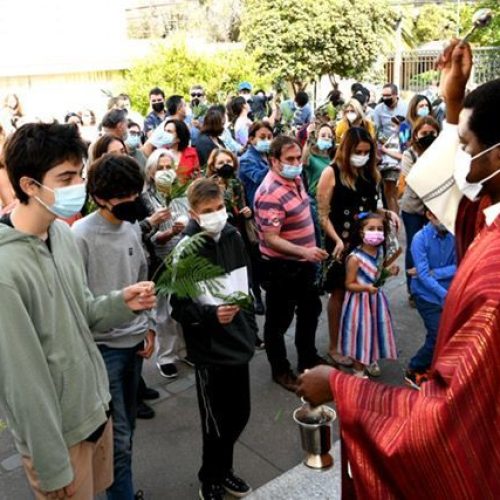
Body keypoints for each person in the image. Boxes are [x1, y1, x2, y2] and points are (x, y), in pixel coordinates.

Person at [296, 42, 500, 497]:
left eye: (464, 145)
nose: (457, 157)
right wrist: (453, 103)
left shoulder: (494, 283)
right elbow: (467, 212)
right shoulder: (489, 215)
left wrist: (341, 389)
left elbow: (450, 422)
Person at [0, 122, 155, 500]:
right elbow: (23, 383)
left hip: (93, 411)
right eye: (65, 177)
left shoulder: (62, 234)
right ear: (28, 185)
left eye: (78, 175)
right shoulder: (6, 271)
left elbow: (82, 311)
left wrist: (121, 303)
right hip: (58, 438)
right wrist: (52, 467)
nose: (77, 187)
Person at [72, 154, 156, 500]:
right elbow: (79, 301)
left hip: (135, 343)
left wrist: (148, 327)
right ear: (100, 197)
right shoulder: (80, 235)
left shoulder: (133, 227)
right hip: (104, 348)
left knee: (128, 431)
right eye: (124, 196)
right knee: (117, 437)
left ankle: (121, 490)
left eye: (135, 193)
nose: (133, 202)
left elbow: (143, 280)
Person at [170, 178, 256, 500]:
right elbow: (178, 306)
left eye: (220, 207)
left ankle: (223, 468)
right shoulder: (185, 250)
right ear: (193, 213)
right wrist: (209, 316)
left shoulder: (233, 236)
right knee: (216, 423)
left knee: (240, 414)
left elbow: (246, 283)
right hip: (209, 350)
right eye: (208, 211)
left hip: (238, 343)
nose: (216, 215)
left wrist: (249, 328)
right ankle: (212, 477)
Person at [254, 135, 329, 392]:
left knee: (310, 311)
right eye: (289, 159)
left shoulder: (296, 179)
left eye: (298, 158)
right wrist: (303, 252)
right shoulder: (268, 193)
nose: (296, 163)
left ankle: (307, 358)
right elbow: (271, 238)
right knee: (278, 321)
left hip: (303, 264)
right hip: (281, 268)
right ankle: (280, 369)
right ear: (273, 161)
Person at [317, 127, 395, 367]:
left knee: (366, 292)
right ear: (346, 149)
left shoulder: (372, 174)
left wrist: (388, 213)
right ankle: (335, 345)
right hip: (340, 241)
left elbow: (374, 207)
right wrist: (337, 240)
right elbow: (323, 214)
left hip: (367, 242)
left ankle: (362, 343)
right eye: (357, 151)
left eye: (366, 152)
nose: (361, 155)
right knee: (340, 292)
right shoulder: (331, 173)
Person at [141, 149, 188, 379]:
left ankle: (184, 350)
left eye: (169, 167)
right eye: (160, 168)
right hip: (162, 261)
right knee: (164, 312)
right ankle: (167, 356)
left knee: (186, 308)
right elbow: (149, 237)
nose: (166, 172)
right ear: (150, 172)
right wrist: (169, 232)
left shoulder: (181, 193)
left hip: (186, 258)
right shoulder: (146, 199)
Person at [206, 148, 266, 322]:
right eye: (221, 163)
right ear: (213, 166)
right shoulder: (210, 186)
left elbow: (244, 203)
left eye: (228, 162)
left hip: (242, 229)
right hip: (223, 232)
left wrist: (248, 211)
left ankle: (256, 299)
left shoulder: (237, 182)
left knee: (250, 265)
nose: (225, 165)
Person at [339, 212, 398, 378]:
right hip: (359, 304)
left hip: (375, 302)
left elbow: (377, 275)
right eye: (371, 228)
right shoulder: (355, 258)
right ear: (361, 232)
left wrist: (388, 272)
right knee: (360, 334)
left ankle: (370, 359)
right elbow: (349, 284)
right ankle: (358, 370)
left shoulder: (379, 253)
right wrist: (366, 289)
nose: (376, 231)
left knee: (373, 330)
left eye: (379, 229)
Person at [404, 209, 456, 388]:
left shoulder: (454, 235)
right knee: (436, 335)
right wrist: (445, 293)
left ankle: (433, 368)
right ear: (429, 215)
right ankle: (414, 367)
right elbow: (423, 277)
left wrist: (436, 272)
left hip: (448, 293)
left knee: (448, 334)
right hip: (426, 296)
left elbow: (459, 265)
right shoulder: (420, 239)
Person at [398, 116, 440, 303]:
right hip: (413, 208)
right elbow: (412, 179)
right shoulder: (410, 154)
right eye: (424, 133)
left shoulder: (442, 153)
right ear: (416, 134)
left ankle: (430, 285)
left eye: (432, 133)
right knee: (414, 246)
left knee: (433, 246)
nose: (428, 136)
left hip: (435, 208)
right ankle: (413, 289)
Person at [373, 83, 408, 213]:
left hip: (402, 148)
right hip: (386, 151)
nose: (385, 98)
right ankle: (392, 216)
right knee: (388, 188)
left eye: (388, 95)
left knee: (399, 190)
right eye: (383, 96)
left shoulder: (405, 107)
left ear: (395, 95)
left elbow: (408, 128)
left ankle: (397, 214)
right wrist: (386, 143)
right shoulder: (379, 109)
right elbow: (377, 130)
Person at [143, 118, 200, 184]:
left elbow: (197, 175)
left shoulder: (191, 153)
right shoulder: (159, 153)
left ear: (179, 137)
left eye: (169, 131)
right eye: (164, 131)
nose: (165, 134)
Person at [238, 121, 273, 208]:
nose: (267, 141)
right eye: (262, 137)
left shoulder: (267, 154)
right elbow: (258, 178)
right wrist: (274, 162)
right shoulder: (246, 160)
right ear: (251, 139)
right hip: (260, 203)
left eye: (269, 137)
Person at [302, 123, 335, 200]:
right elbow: (303, 161)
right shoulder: (311, 157)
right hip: (316, 200)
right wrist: (309, 138)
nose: (326, 138)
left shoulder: (332, 158)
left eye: (329, 136)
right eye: (323, 136)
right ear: (317, 137)